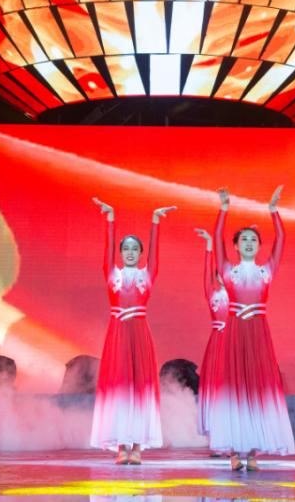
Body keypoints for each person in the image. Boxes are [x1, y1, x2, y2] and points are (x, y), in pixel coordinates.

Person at [207, 185, 295, 470]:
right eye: (243, 239)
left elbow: (282, 239)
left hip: (258, 334)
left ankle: (253, 452)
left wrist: (273, 211)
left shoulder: (266, 271)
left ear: (258, 246)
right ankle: (234, 452)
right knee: (234, 387)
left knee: (256, 387)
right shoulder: (227, 270)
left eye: (253, 240)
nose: (248, 243)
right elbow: (217, 239)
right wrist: (223, 208)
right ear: (235, 246)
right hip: (235, 333)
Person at [89, 197, 174, 464]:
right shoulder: (112, 274)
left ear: (140, 254)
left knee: (138, 387)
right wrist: (110, 218)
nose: (129, 252)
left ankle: (136, 447)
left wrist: (155, 221)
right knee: (119, 387)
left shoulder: (147, 275)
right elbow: (107, 248)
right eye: (125, 248)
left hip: (139, 336)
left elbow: (155, 254)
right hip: (117, 336)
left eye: (135, 249)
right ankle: (121, 446)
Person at [193, 225, 229, 452]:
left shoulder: (240, 294)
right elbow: (206, 274)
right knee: (215, 389)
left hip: (234, 344)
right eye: (219, 273)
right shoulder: (213, 294)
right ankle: (215, 440)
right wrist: (209, 246)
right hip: (217, 345)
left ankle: (233, 439)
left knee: (231, 391)